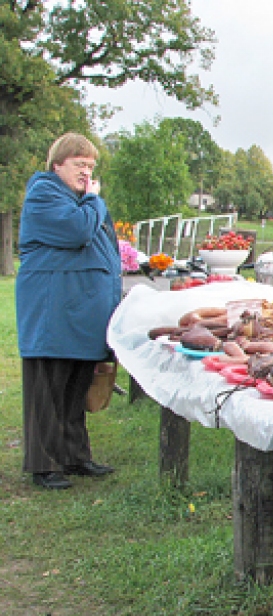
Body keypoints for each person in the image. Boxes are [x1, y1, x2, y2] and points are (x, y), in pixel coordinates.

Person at [17, 132, 122, 490]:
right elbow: (76, 231)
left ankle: (75, 456)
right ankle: (44, 465)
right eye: (79, 165)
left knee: (76, 388)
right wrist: (94, 201)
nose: (86, 173)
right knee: (48, 389)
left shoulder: (78, 200)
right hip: (53, 313)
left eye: (91, 167)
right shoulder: (44, 194)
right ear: (57, 164)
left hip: (78, 313)